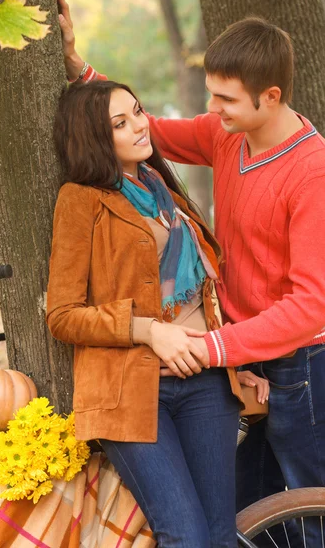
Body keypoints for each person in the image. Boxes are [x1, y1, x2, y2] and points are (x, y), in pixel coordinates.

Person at [56, 0, 325, 547]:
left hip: (300, 362)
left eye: (225, 98)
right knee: (247, 516)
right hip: (236, 359)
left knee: (308, 510)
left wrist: (213, 349)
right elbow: (139, 130)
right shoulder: (227, 135)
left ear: (269, 97)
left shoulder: (312, 173)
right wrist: (77, 64)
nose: (213, 110)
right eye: (211, 96)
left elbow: (311, 306)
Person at [46, 79, 247, 547]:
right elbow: (62, 314)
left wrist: (240, 360)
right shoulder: (81, 199)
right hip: (134, 392)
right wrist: (149, 332)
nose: (140, 126)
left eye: (138, 111)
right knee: (186, 535)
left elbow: (206, 292)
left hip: (206, 380)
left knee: (220, 536)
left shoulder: (163, 191)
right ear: (95, 138)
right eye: (121, 123)